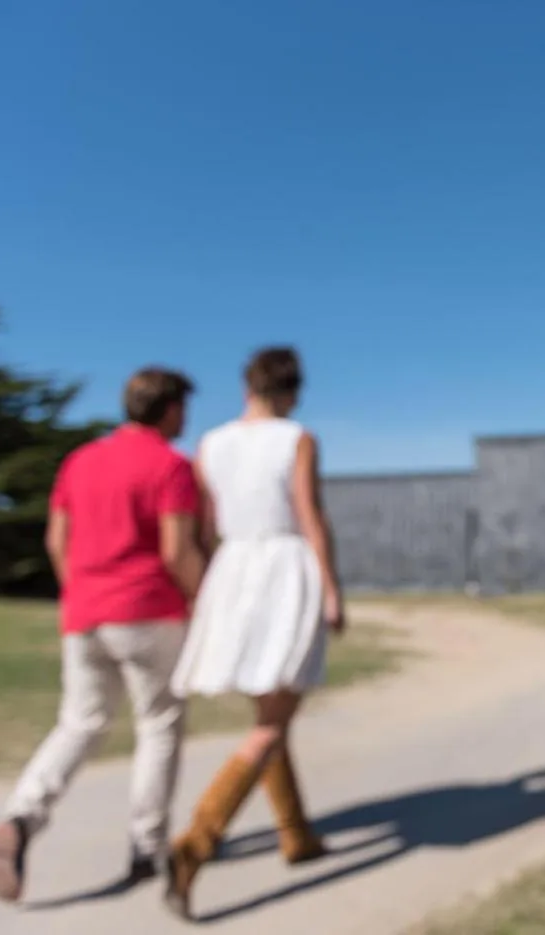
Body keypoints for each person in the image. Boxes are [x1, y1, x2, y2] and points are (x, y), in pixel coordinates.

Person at [0, 368, 206, 903]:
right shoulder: (172, 466)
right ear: (170, 409)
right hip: (148, 611)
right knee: (159, 726)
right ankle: (146, 847)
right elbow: (177, 551)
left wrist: (80, 591)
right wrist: (202, 601)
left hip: (84, 611)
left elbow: (56, 538)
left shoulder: (80, 461)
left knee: (79, 723)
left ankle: (21, 817)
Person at [162, 345, 345, 920]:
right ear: (291, 392)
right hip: (283, 573)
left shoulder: (210, 444)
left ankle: (296, 834)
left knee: (271, 713)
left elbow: (207, 524)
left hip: (233, 574)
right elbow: (309, 516)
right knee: (272, 722)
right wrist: (332, 589)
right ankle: (195, 842)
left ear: (246, 387)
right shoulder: (297, 438)